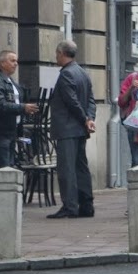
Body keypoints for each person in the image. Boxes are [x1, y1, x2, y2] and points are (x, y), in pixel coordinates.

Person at [48, 39, 97, 219]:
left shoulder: (66, 74)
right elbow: (91, 100)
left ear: (61, 53)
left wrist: (85, 119)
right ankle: (86, 206)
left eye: (57, 53)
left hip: (68, 128)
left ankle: (70, 206)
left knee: (67, 169)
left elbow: (71, 101)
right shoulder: (83, 72)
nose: (56, 57)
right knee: (81, 168)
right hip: (80, 129)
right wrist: (89, 118)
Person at [0, 51, 38, 169]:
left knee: (9, 168)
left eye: (16, 61)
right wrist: (23, 107)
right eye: (12, 61)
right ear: (2, 63)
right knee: (3, 169)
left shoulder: (10, 81)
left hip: (11, 131)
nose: (16, 64)